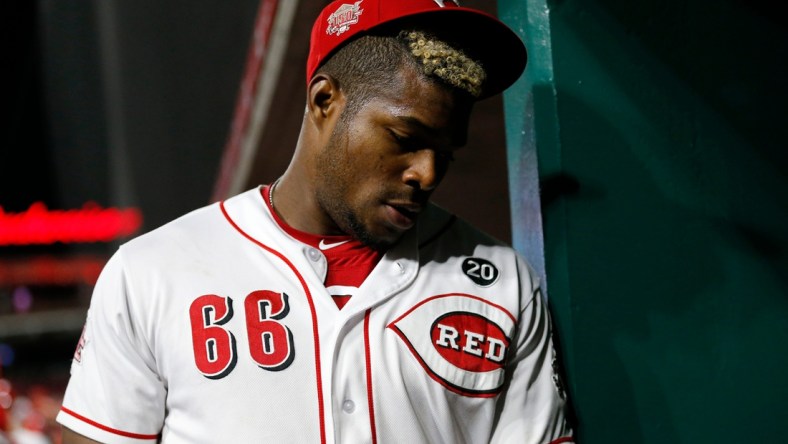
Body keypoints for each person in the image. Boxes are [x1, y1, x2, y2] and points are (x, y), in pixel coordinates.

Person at [56, 0, 575, 442]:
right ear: (325, 99)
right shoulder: (152, 272)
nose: (428, 173)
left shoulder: (504, 284)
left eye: (446, 153)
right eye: (406, 138)